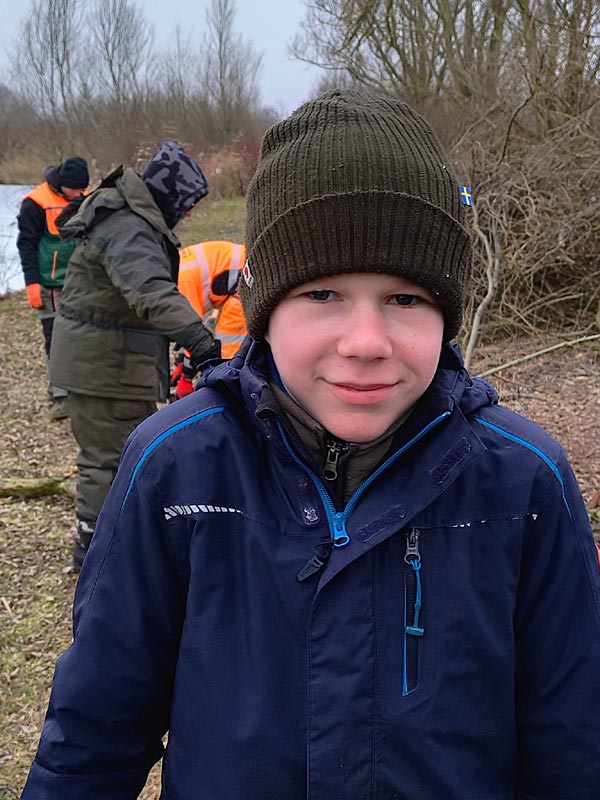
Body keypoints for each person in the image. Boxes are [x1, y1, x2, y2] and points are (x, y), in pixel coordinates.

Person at [20, 91, 600, 799]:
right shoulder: (174, 467)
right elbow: (92, 735)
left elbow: (576, 742)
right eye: (322, 295)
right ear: (264, 311)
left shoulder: (526, 481)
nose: (366, 342)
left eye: (406, 299)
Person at [48, 140, 220, 570]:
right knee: (108, 461)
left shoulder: (130, 219)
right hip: (101, 367)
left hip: (112, 364)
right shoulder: (127, 226)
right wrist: (202, 344)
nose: (189, 214)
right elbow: (151, 293)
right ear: (169, 194)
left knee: (127, 453)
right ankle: (96, 552)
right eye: (187, 204)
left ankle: (117, 541)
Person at [16, 157, 89, 420]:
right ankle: (59, 396)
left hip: (78, 282)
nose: (80, 194)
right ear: (62, 184)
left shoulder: (83, 199)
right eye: (76, 189)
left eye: (83, 189)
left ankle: (79, 390)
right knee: (55, 339)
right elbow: (26, 244)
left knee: (81, 338)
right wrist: (32, 283)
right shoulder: (35, 203)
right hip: (49, 284)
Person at [171, 239, 247, 398]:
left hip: (244, 282)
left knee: (226, 348)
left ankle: (231, 387)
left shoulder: (181, 285)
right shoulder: (174, 268)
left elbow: (193, 333)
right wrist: (182, 361)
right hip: (238, 272)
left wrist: (186, 376)